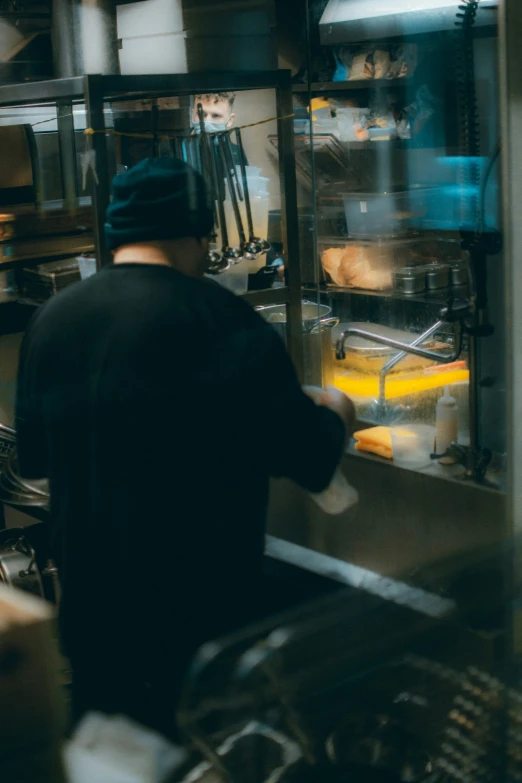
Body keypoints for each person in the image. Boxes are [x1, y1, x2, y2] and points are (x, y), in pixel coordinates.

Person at [15, 158, 354, 739]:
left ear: (117, 232)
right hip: (199, 626)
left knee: (113, 765)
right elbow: (310, 459)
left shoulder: (50, 320)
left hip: (93, 619)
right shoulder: (222, 320)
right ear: (199, 232)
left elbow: (35, 462)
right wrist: (339, 414)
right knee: (203, 761)